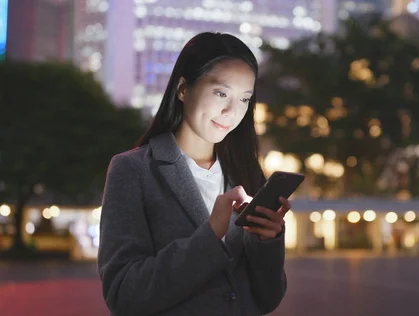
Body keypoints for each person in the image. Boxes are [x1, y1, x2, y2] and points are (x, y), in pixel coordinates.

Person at [98, 32, 289, 316]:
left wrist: (267, 243)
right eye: (221, 93)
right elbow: (123, 295)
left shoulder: (247, 175)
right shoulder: (133, 170)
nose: (230, 111)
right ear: (183, 89)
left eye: (244, 99)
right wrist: (210, 236)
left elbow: (267, 299)